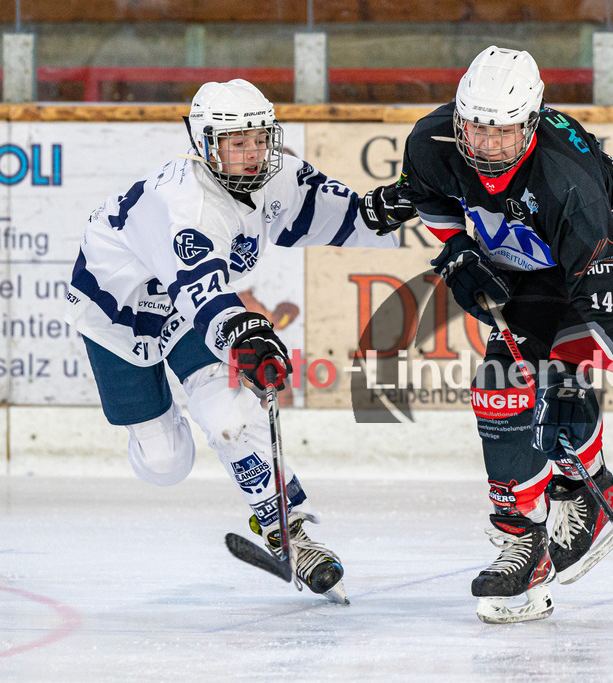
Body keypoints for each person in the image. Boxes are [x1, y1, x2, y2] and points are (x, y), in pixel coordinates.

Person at [65, 79, 413, 603]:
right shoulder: (185, 206)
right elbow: (202, 293)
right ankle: (162, 415)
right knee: (165, 464)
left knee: (228, 416)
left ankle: (288, 529)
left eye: (258, 138)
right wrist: (245, 335)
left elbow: (347, 218)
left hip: (190, 315)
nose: (252, 154)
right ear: (206, 145)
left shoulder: (277, 178)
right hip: (119, 311)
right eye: (236, 142)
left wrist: (399, 209)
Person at [393, 47, 613, 623]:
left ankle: (584, 493)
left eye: (504, 132)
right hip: (513, 243)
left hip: (578, 254)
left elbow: (601, 298)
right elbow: (426, 193)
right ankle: (541, 528)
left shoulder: (570, 188)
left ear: (530, 122)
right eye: (475, 127)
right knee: (503, 393)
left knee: (541, 383)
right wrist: (458, 248)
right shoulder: (432, 140)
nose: (486, 146)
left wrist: (571, 378)